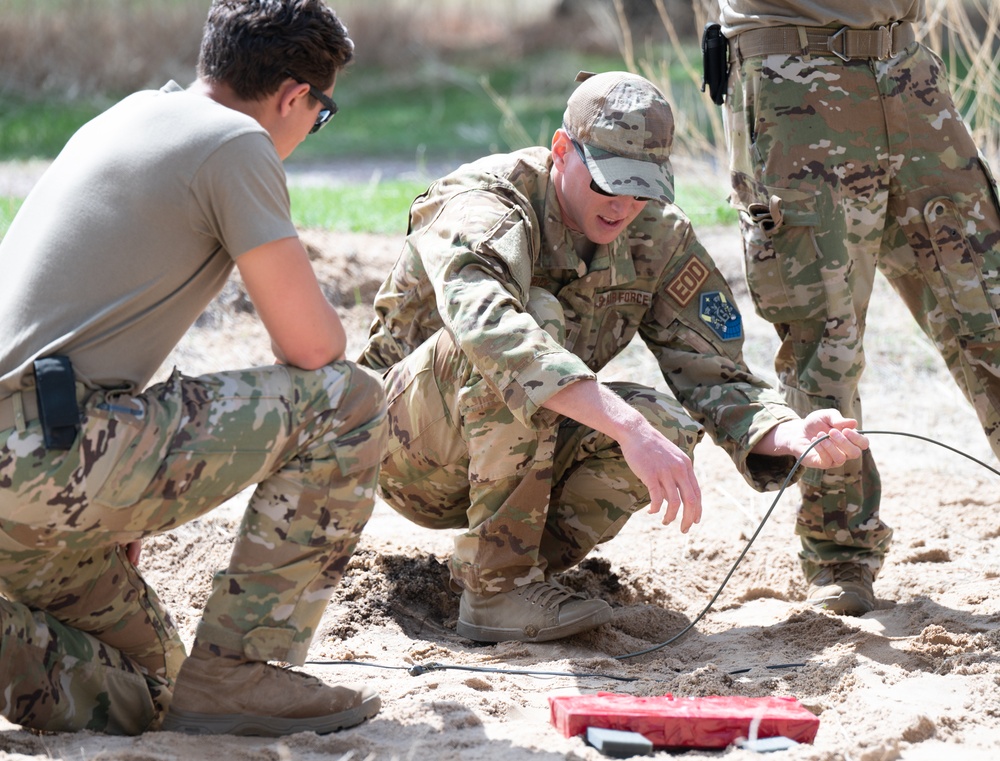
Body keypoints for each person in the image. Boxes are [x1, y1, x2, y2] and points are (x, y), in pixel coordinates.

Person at [357, 70, 869, 645]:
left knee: (665, 425)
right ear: (560, 150)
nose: (624, 204)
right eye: (607, 182)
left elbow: (712, 371)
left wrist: (782, 431)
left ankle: (501, 571)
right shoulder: (486, 203)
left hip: (513, 453)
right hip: (402, 447)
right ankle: (496, 591)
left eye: (643, 185)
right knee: (536, 325)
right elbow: (490, 330)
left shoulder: (657, 236)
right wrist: (623, 425)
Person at [0, 0, 387, 737]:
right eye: (321, 114)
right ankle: (243, 669)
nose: (310, 130)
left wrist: (118, 492)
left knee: (155, 689)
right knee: (350, 402)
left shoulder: (130, 114)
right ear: (294, 97)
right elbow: (313, 351)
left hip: (37, 468)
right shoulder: (237, 143)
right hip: (41, 462)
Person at [717, 0, 1000, 615]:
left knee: (989, 304)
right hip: (793, 74)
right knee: (827, 338)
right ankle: (839, 554)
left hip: (907, 68)